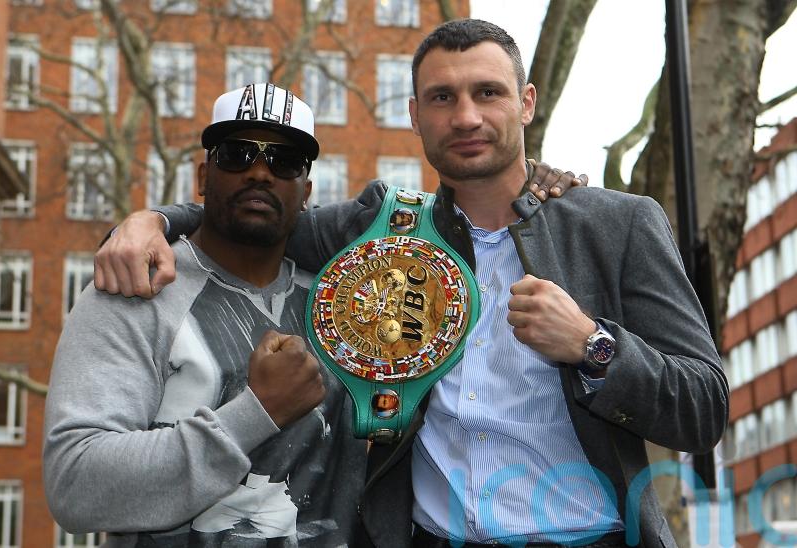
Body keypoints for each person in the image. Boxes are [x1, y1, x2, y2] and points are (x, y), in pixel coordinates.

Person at [92, 19, 728, 548]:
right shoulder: (381, 226)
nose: (467, 116)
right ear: (415, 116)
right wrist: (155, 221)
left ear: (526, 103)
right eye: (443, 98)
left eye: (488, 92)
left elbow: (703, 409)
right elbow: (258, 215)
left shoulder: (619, 225)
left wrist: (595, 346)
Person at [43, 83, 369, 547]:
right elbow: (74, 484)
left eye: (285, 160)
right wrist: (256, 414)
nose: (260, 172)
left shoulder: (344, 301)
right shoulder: (135, 288)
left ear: (306, 192)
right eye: (237, 154)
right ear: (202, 176)